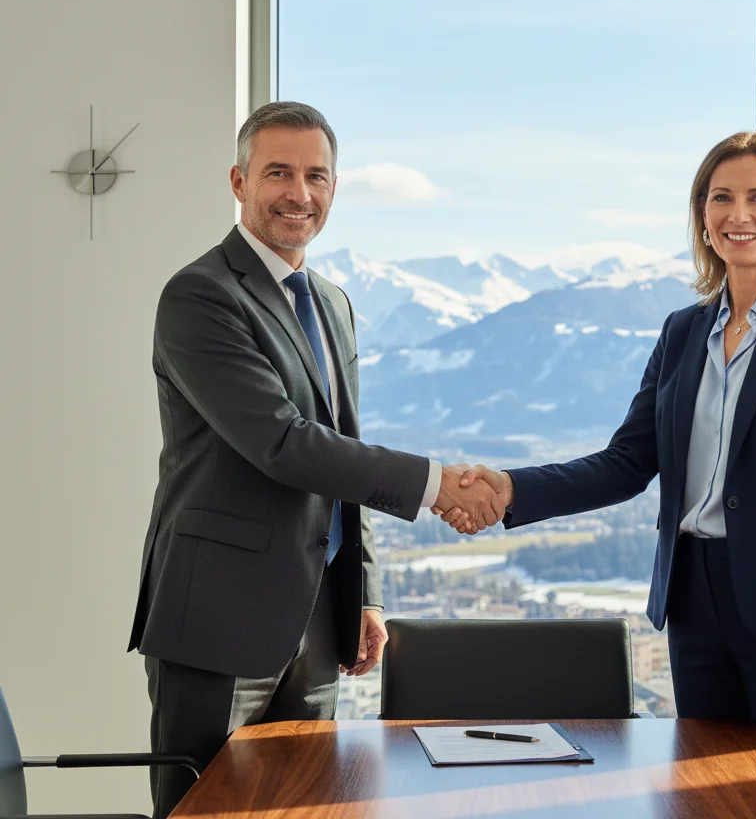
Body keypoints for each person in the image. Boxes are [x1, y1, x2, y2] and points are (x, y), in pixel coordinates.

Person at [440, 130, 756, 799]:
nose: (739, 215)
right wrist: (508, 489)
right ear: (702, 215)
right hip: (695, 603)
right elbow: (627, 462)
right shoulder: (682, 331)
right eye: (721, 197)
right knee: (704, 794)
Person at [128, 101, 501, 819]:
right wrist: (436, 483)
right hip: (217, 620)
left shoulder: (332, 302)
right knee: (203, 810)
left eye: (316, 176)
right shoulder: (200, 297)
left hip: (319, 620)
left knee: (306, 808)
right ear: (238, 181)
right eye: (278, 173)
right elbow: (283, 442)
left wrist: (365, 590)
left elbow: (344, 447)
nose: (299, 194)